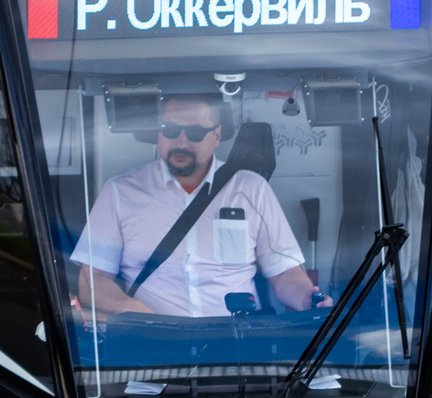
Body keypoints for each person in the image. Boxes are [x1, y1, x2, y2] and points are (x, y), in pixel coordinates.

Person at [74, 93, 328, 318]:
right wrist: (140, 315)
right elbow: (92, 283)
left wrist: (308, 299)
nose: (181, 142)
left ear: (216, 136)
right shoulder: (120, 192)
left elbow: (284, 273)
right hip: (151, 342)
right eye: (171, 130)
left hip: (235, 342)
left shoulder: (251, 189)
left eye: (194, 132)